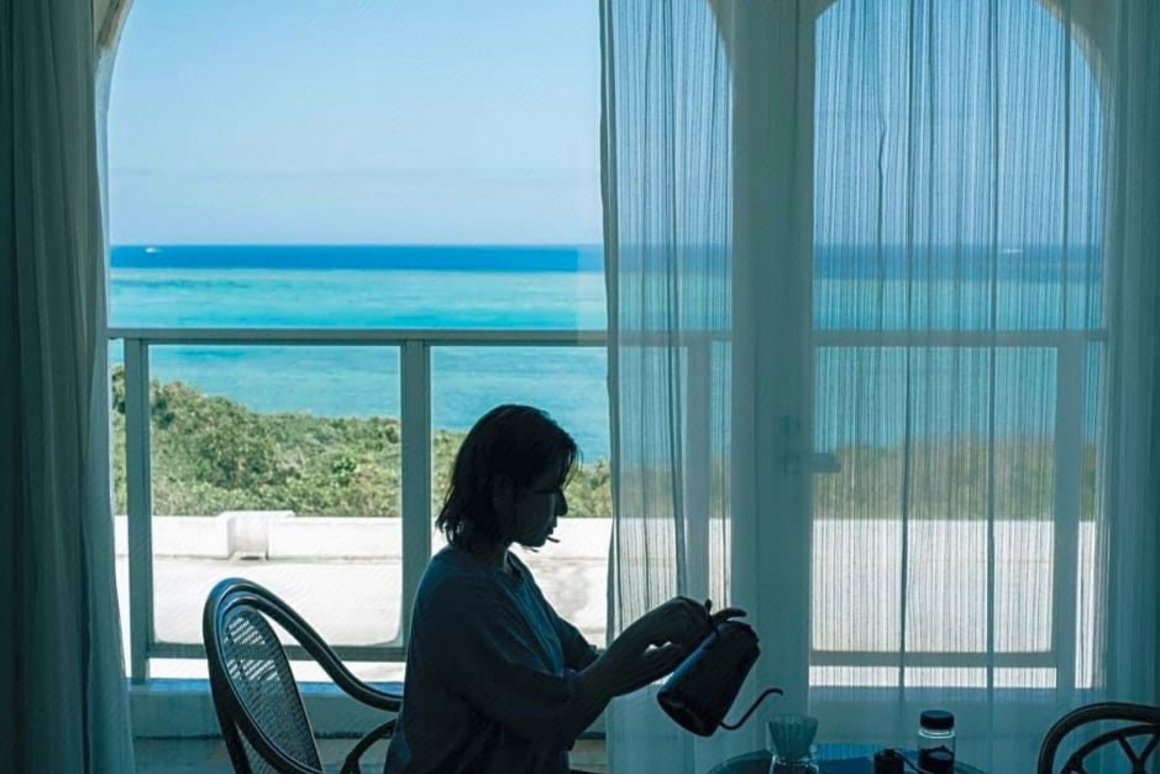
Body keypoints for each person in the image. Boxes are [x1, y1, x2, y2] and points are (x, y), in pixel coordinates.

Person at [382, 404, 743, 774]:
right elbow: (561, 717)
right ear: (503, 491)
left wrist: (685, 653)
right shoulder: (462, 594)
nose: (564, 507)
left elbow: (593, 669)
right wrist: (645, 631)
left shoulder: (504, 571)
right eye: (551, 490)